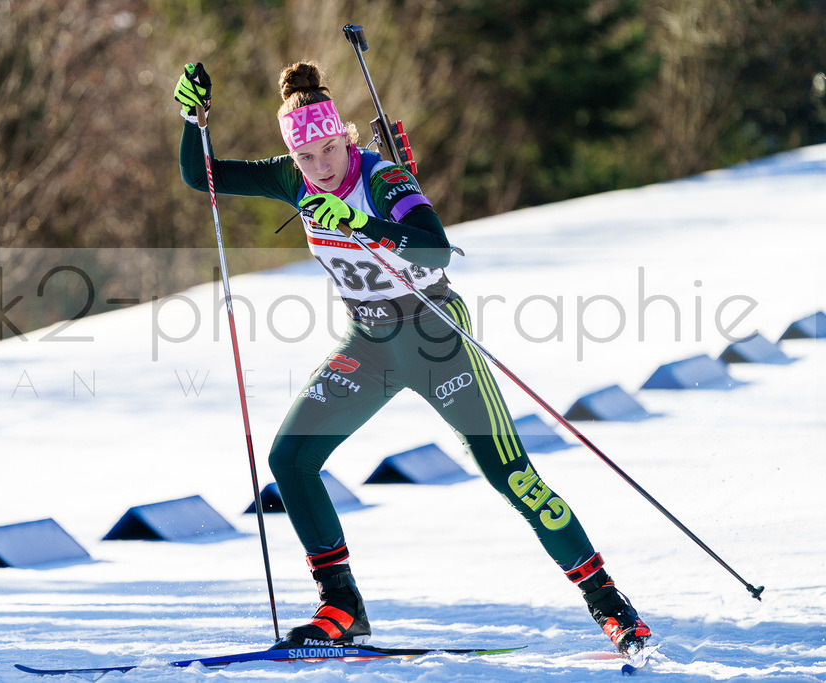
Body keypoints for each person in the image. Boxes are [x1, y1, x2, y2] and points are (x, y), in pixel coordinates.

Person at [174, 60, 651, 655]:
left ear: (345, 137)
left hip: (436, 341)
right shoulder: (290, 179)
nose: (321, 167)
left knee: (512, 475)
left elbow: (435, 248)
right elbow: (205, 178)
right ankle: (342, 606)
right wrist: (193, 121)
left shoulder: (381, 178)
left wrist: (362, 221)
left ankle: (610, 606)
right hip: (369, 345)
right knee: (290, 457)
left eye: (329, 150)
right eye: (307, 158)